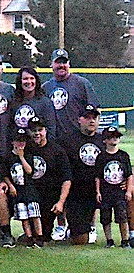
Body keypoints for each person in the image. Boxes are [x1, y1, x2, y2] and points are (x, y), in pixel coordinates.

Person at [60, 104, 104, 245]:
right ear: (79, 119)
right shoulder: (67, 141)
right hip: (77, 194)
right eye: (87, 117)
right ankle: (71, 228)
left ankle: (129, 235)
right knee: (80, 241)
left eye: (94, 118)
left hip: (99, 191)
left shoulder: (104, 141)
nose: (91, 121)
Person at [26, 117, 71, 245]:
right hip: (30, 197)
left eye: (40, 130)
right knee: (32, 235)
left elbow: (66, 179)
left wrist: (60, 202)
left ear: (46, 131)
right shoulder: (25, 149)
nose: (37, 133)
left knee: (43, 236)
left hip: (49, 198)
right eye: (33, 130)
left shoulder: (57, 151)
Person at [1, 129, 43, 249]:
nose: (21, 144)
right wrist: (11, 186)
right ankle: (29, 237)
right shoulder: (8, 157)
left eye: (23, 141)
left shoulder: (28, 155)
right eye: (18, 141)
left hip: (29, 190)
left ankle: (38, 237)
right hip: (18, 191)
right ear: (13, 142)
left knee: (34, 214)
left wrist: (22, 157)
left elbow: (30, 171)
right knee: (23, 216)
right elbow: (6, 174)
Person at [43, 49, 97, 137]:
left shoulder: (82, 83)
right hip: (55, 140)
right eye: (58, 62)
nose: (61, 65)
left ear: (69, 64)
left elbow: (95, 111)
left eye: (64, 62)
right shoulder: (46, 87)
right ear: (51, 64)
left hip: (78, 138)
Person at [96, 126, 132, 248]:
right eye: (111, 137)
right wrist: (98, 191)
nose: (114, 139)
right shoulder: (101, 157)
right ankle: (109, 240)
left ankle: (125, 240)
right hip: (106, 191)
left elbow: (129, 175)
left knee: (122, 216)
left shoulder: (123, 155)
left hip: (119, 192)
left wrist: (128, 190)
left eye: (116, 137)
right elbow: (98, 176)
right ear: (105, 140)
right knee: (105, 217)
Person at [10, 67, 58, 144]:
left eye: (32, 78)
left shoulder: (45, 102)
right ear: (20, 81)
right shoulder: (14, 102)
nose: (29, 82)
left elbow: (51, 129)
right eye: (25, 79)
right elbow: (10, 127)